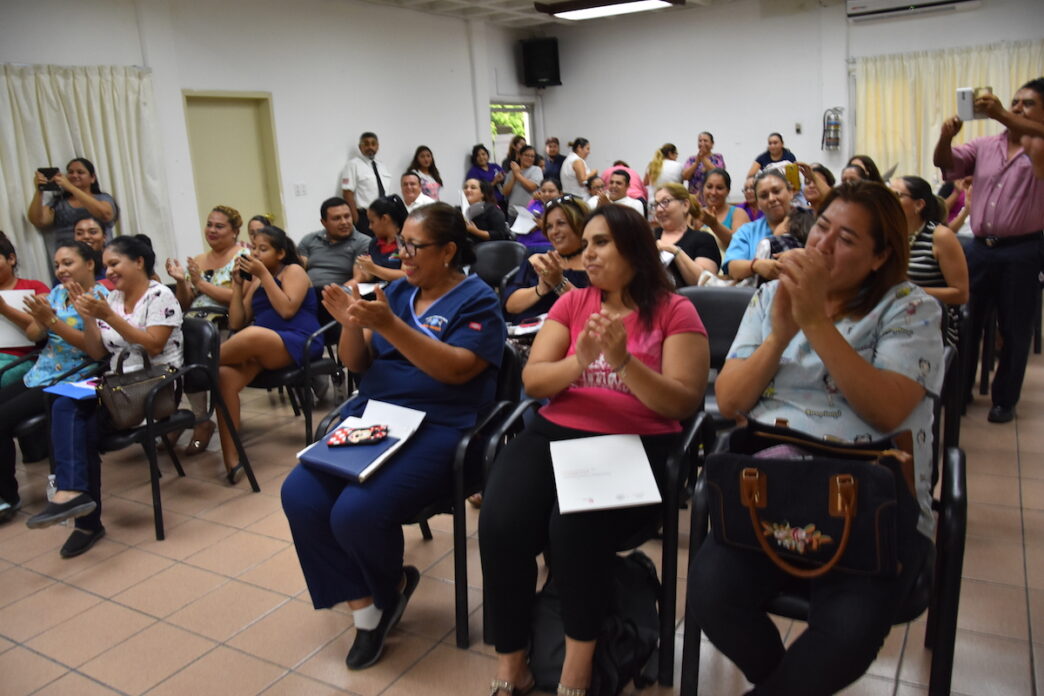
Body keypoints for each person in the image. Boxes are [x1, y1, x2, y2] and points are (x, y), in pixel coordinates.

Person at [688, 181, 944, 696]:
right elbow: (733, 401)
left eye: (846, 238)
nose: (823, 245)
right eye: (822, 227)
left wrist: (815, 323)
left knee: (847, 630)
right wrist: (783, 331)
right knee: (710, 596)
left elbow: (886, 409)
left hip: (870, 497)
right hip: (772, 488)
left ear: (880, 257)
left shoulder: (909, 308)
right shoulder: (768, 298)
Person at [480, 204, 709, 696]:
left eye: (601, 242)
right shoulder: (575, 303)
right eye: (587, 244)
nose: (589, 253)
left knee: (573, 524)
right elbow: (534, 377)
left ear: (635, 248)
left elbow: (684, 400)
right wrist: (579, 361)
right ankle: (512, 663)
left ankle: (577, 670)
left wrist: (624, 362)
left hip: (635, 443)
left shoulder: (676, 310)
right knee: (502, 520)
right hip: (557, 430)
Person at [282, 202, 506, 670]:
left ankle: (389, 592)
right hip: (376, 419)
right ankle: (368, 606)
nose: (401, 253)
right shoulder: (396, 292)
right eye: (400, 242)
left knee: (354, 512)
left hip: (441, 427)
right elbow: (358, 364)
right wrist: (352, 325)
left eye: (413, 245)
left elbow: (457, 370)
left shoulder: (477, 299)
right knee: (300, 494)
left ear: (447, 251)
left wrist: (388, 325)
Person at [26, 235, 183, 558]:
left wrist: (107, 316)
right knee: (63, 400)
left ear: (138, 262)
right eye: (106, 265)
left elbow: (152, 345)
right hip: (117, 385)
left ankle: (82, 512)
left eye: (115, 264)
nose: (108, 271)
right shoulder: (110, 299)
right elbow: (96, 350)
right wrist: (88, 315)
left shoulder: (160, 295)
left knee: (74, 418)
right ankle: (78, 504)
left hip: (155, 385)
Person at [933, 77, 1044, 423]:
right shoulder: (984, 145)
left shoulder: (1039, 148)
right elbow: (947, 164)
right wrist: (946, 137)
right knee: (967, 322)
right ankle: (960, 390)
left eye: (1027, 104)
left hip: (1023, 251)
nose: (1016, 108)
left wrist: (1000, 114)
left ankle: (1004, 400)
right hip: (980, 249)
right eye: (1014, 102)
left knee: (1015, 327)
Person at [0, 241, 108, 523]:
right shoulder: (58, 293)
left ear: (89, 264)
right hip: (40, 372)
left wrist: (52, 322)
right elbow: (37, 334)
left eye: (68, 263)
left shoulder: (101, 297)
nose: (61, 270)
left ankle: (6, 497)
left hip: (73, 376)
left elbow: (93, 351)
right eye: (57, 265)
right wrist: (39, 317)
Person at [219, 225, 321, 483]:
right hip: (264, 345)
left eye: (263, 249)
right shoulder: (256, 281)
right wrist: (239, 286)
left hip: (298, 339)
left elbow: (287, 310)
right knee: (223, 377)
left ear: (280, 253)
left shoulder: (293, 271)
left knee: (254, 335)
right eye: (253, 248)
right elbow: (236, 323)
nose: (255, 253)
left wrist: (264, 275)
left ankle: (193, 367)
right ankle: (232, 459)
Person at [164, 205, 251, 455]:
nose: (212, 230)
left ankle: (202, 422)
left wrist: (201, 283)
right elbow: (186, 302)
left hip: (223, 326)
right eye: (209, 224)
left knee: (194, 352)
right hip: (192, 322)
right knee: (167, 355)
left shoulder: (243, 257)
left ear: (234, 231)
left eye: (219, 226)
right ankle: (184, 418)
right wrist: (182, 281)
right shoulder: (200, 260)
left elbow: (238, 296)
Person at [890, 176, 969, 347]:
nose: (889, 201)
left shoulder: (940, 236)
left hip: (932, 319)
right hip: (892, 313)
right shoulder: (888, 235)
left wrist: (909, 292)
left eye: (896, 195)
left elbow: (961, 294)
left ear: (919, 205)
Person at [504, 193, 590, 323]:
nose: (554, 231)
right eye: (549, 226)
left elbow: (593, 312)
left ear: (580, 224)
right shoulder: (538, 261)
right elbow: (511, 306)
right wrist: (540, 289)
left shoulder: (595, 265)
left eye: (561, 223)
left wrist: (559, 283)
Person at [27, 157, 119, 262]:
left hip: (102, 259)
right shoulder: (59, 202)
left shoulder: (102, 198)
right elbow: (39, 220)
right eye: (70, 172)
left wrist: (70, 187)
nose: (74, 175)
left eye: (80, 172)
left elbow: (105, 214)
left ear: (92, 178)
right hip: (69, 261)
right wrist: (39, 191)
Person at [722, 169, 796, 282]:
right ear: (758, 204)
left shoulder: (810, 223)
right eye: (764, 195)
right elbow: (732, 268)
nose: (771, 199)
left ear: (791, 192)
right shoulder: (748, 231)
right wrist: (755, 266)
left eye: (776, 191)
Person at [0, 232, 51, 387]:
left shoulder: (35, 287)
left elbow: (45, 325)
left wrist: (5, 309)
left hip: (22, 358)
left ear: (11, 259)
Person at [652, 183, 721, 288]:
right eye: (656, 204)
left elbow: (703, 283)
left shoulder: (703, 239)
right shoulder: (648, 235)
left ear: (685, 205)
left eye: (665, 202)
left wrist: (674, 251)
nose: (659, 209)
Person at [298, 197, 371, 288]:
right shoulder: (310, 240)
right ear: (323, 222)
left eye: (347, 216)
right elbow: (298, 269)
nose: (344, 222)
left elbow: (359, 278)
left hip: (341, 294)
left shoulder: (363, 242)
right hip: (309, 293)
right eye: (337, 218)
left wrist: (334, 293)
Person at [341, 131, 392, 235]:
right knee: (368, 248)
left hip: (384, 216)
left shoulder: (382, 166)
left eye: (373, 144)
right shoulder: (353, 165)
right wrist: (356, 220)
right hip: (365, 217)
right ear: (360, 147)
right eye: (366, 144)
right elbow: (347, 193)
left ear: (378, 146)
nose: (370, 147)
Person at [353, 195, 408, 284]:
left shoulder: (406, 243)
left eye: (372, 222)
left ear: (384, 219)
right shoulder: (374, 243)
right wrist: (364, 267)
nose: (370, 227)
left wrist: (374, 269)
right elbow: (369, 276)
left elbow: (406, 274)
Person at [697, 168, 750, 250]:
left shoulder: (738, 214)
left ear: (728, 191)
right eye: (709, 187)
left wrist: (714, 225)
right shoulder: (696, 214)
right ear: (703, 189)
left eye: (719, 188)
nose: (713, 192)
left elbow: (740, 244)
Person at [513, 178, 563, 252]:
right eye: (543, 191)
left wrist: (543, 225)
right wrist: (528, 226)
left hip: (546, 245)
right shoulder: (535, 203)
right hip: (523, 243)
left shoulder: (563, 209)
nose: (546, 194)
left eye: (551, 191)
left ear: (560, 194)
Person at [682, 132, 727, 202]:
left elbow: (718, 174)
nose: (702, 143)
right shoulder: (691, 159)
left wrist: (703, 158)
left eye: (705, 141)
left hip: (713, 199)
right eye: (700, 141)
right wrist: (696, 163)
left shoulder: (718, 157)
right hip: (694, 201)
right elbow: (685, 176)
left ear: (712, 144)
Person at [502, 145, 542, 221]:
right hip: (512, 213)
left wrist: (517, 174)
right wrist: (514, 175)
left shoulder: (536, 170)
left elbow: (532, 187)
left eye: (532, 156)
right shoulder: (511, 172)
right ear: (520, 156)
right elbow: (505, 192)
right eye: (526, 155)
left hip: (530, 213)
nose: (529, 158)